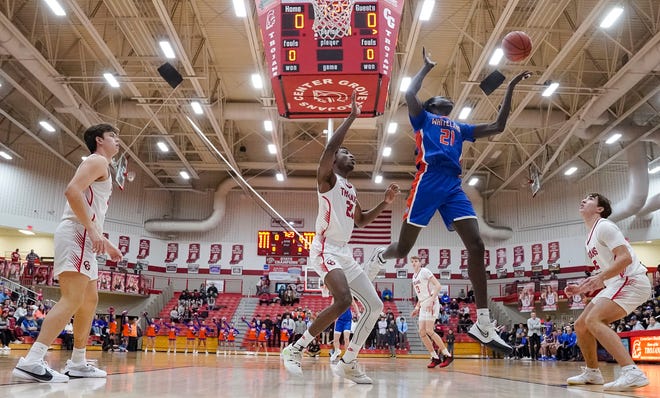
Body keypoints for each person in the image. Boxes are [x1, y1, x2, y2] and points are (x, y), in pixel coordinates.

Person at [363, 48, 529, 355]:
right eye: (440, 97)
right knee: (402, 249)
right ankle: (378, 259)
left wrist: (510, 89)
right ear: (432, 105)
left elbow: (498, 126)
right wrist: (426, 67)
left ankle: (483, 321)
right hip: (428, 181)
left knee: (477, 245)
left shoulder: (460, 128)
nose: (446, 99)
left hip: (453, 186)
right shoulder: (422, 118)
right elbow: (410, 92)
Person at [281, 91, 399, 384]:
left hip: (344, 252)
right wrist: (352, 117)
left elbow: (360, 220)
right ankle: (295, 348)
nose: (351, 155)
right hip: (324, 248)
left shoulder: (350, 188)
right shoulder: (328, 179)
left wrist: (384, 204)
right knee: (344, 299)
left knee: (375, 306)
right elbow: (328, 150)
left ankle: (349, 361)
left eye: (351, 154)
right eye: (346, 153)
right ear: (334, 161)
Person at [12, 124, 122, 383]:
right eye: (112, 137)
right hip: (77, 234)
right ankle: (33, 360)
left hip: (84, 234)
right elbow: (72, 192)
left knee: (89, 300)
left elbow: (88, 207)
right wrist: (94, 233)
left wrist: (103, 240)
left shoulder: (100, 165)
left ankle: (78, 362)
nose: (118, 141)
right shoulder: (97, 161)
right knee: (72, 298)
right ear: (99, 140)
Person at [565, 193, 651, 391]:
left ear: (600, 209)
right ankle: (592, 373)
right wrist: (582, 287)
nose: (584, 199)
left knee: (594, 320)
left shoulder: (604, 225)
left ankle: (632, 372)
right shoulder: (589, 237)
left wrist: (601, 278)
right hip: (616, 282)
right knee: (581, 325)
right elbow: (606, 271)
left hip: (632, 280)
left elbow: (625, 258)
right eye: (584, 197)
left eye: (590, 198)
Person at [410, 256, 453, 368]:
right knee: (422, 332)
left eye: (416, 261)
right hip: (423, 303)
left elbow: (438, 286)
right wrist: (417, 307)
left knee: (429, 330)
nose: (414, 263)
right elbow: (420, 296)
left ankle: (448, 355)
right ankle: (435, 357)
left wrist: (432, 300)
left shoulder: (425, 271)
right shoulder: (413, 277)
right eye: (412, 261)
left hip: (431, 302)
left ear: (420, 263)